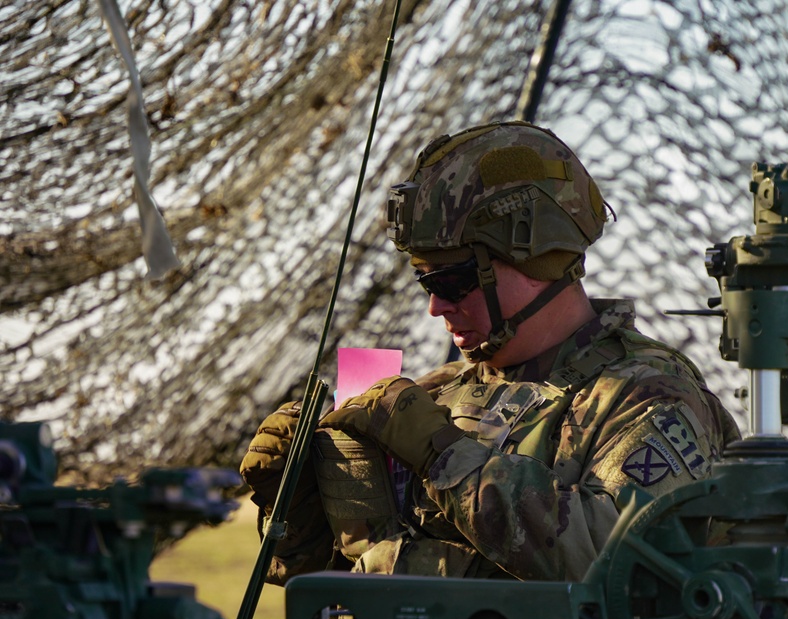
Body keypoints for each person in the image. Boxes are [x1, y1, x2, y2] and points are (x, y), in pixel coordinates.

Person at [240, 121, 740, 584]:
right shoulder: (435, 396)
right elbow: (352, 576)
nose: (436, 305)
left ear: (536, 254)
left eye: (452, 280)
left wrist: (442, 456)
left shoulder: (645, 396)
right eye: (424, 282)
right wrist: (299, 510)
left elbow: (623, 565)